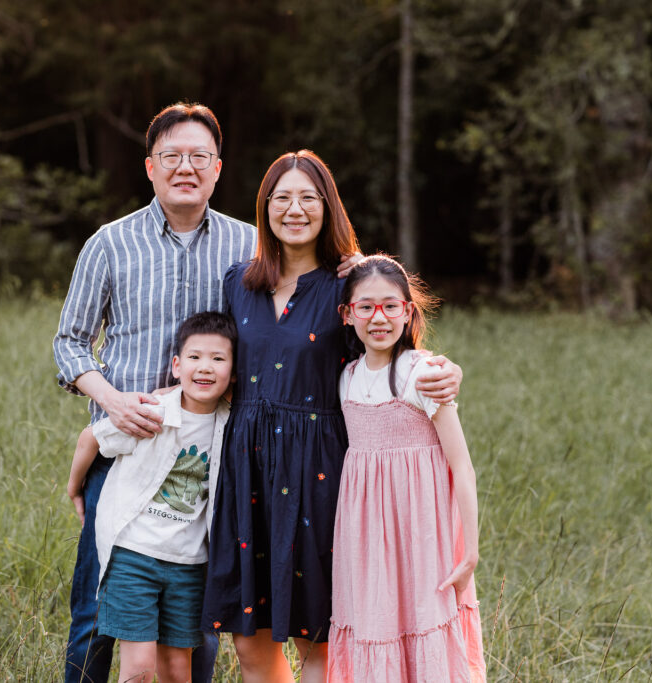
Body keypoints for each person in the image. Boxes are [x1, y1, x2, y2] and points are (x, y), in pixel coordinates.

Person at [201, 151, 464, 683]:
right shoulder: (238, 283)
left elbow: (393, 346)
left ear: (328, 207)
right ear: (264, 208)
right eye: (282, 198)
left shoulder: (346, 284)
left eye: (308, 198)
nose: (294, 209)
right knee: (250, 647)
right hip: (247, 469)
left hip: (319, 475)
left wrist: (445, 370)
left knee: (317, 641)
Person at [53, 102, 257, 683]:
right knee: (95, 614)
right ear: (150, 166)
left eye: (199, 156)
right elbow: (69, 344)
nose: (185, 167)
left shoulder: (249, 249)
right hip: (125, 452)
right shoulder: (109, 244)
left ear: (218, 168)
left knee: (197, 624)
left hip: (211, 457)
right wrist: (114, 401)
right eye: (172, 156)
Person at [328, 255, 486, 682]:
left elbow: (462, 467)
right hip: (365, 542)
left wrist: (469, 552)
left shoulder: (422, 374)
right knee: (376, 627)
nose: (378, 318)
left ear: (408, 312)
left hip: (422, 536)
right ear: (347, 315)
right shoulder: (345, 378)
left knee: (423, 627)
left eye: (390, 306)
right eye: (366, 307)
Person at [65, 312, 236, 683]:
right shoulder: (153, 412)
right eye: (194, 357)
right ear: (176, 366)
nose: (205, 367)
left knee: (178, 668)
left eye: (218, 359)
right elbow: (90, 438)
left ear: (234, 372)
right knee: (139, 668)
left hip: (189, 563)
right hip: (133, 556)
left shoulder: (232, 423)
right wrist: (74, 486)